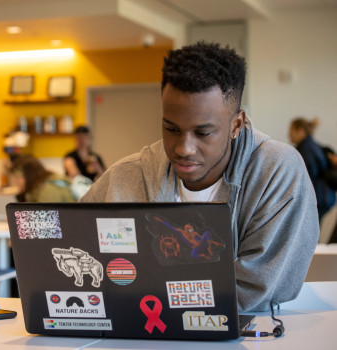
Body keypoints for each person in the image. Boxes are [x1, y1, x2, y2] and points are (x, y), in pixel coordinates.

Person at [80, 42, 319, 312]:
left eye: (203, 133)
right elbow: (72, 254)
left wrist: (153, 299)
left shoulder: (277, 173)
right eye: (171, 128)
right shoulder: (125, 175)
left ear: (236, 125)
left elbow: (254, 290)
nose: (184, 148)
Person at [289, 117, 336, 220]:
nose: (289, 135)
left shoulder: (306, 149)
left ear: (300, 131)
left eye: (291, 130)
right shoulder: (311, 145)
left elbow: (307, 174)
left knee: (309, 232)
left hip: (318, 197)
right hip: (324, 196)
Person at [9, 155, 76, 203]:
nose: (16, 181)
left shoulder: (48, 189)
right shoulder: (39, 188)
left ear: (29, 175)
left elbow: (48, 220)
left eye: (18, 177)